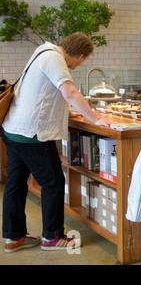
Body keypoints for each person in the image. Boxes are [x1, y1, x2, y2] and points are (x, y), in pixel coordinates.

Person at [2, 33, 112, 253]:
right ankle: (52, 237)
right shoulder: (55, 58)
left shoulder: (42, 51)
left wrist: (68, 112)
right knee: (53, 182)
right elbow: (69, 92)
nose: (80, 65)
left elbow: (40, 93)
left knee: (15, 183)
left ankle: (13, 238)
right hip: (32, 134)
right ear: (80, 56)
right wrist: (95, 118)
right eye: (82, 61)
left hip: (13, 130)